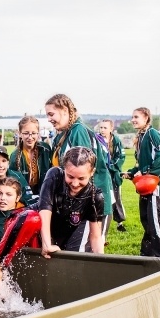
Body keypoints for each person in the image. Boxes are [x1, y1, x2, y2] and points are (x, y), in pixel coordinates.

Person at [46, 94, 114, 238]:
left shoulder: (78, 132)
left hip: (91, 203)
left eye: (51, 114)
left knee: (86, 252)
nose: (49, 119)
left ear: (65, 110)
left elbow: (81, 170)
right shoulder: (66, 133)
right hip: (79, 202)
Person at [121, 107, 160, 257]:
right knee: (147, 222)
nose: (133, 120)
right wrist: (130, 173)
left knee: (156, 223)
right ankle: (148, 256)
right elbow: (140, 165)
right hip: (145, 187)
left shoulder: (153, 134)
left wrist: (148, 173)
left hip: (155, 187)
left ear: (146, 118)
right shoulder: (141, 136)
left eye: (136, 117)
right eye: (132, 117)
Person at [38, 146, 105, 255]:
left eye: (81, 178)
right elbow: (45, 208)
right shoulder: (55, 175)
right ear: (64, 168)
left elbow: (96, 237)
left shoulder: (94, 196)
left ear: (92, 172)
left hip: (63, 234)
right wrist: (47, 243)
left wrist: (102, 262)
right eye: (70, 176)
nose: (74, 183)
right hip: (39, 227)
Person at [9, 116, 52, 196]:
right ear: (20, 134)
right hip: (23, 196)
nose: (30, 137)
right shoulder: (14, 156)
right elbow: (12, 183)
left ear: (38, 133)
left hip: (45, 194)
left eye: (33, 133)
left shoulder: (46, 149)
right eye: (26, 133)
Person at [98, 119, 128, 232]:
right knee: (101, 198)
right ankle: (99, 220)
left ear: (111, 129)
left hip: (114, 174)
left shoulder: (116, 141)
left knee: (116, 198)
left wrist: (111, 166)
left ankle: (119, 222)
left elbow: (121, 157)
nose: (102, 130)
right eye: (101, 127)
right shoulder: (97, 140)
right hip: (101, 175)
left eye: (105, 128)